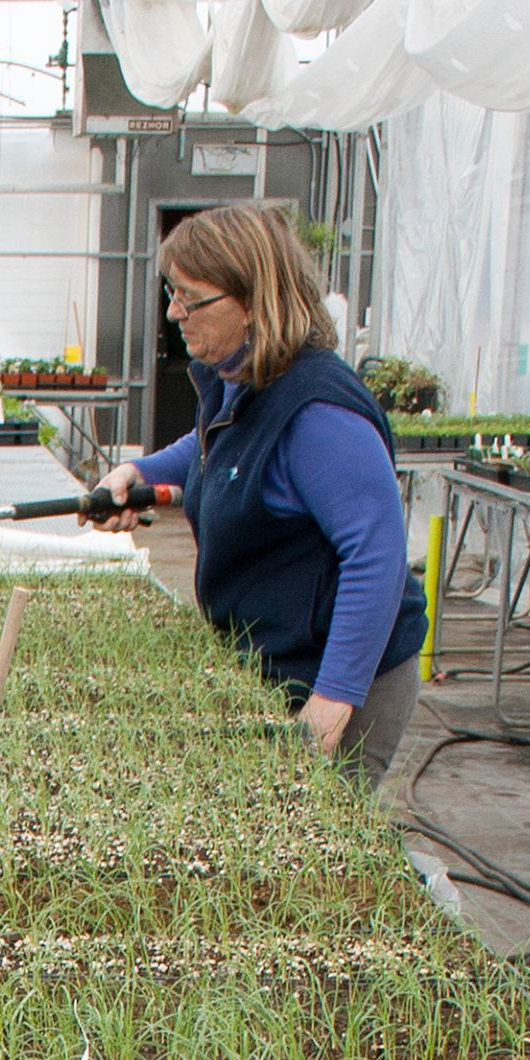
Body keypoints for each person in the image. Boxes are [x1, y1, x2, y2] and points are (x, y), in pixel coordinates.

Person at [83, 202, 426, 784]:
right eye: (172, 292)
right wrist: (136, 474)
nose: (174, 312)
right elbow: (212, 448)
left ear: (253, 299)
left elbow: (377, 554)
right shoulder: (242, 378)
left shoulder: (317, 411)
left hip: (340, 680)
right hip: (275, 662)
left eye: (191, 297)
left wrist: (332, 700)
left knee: (312, 851)